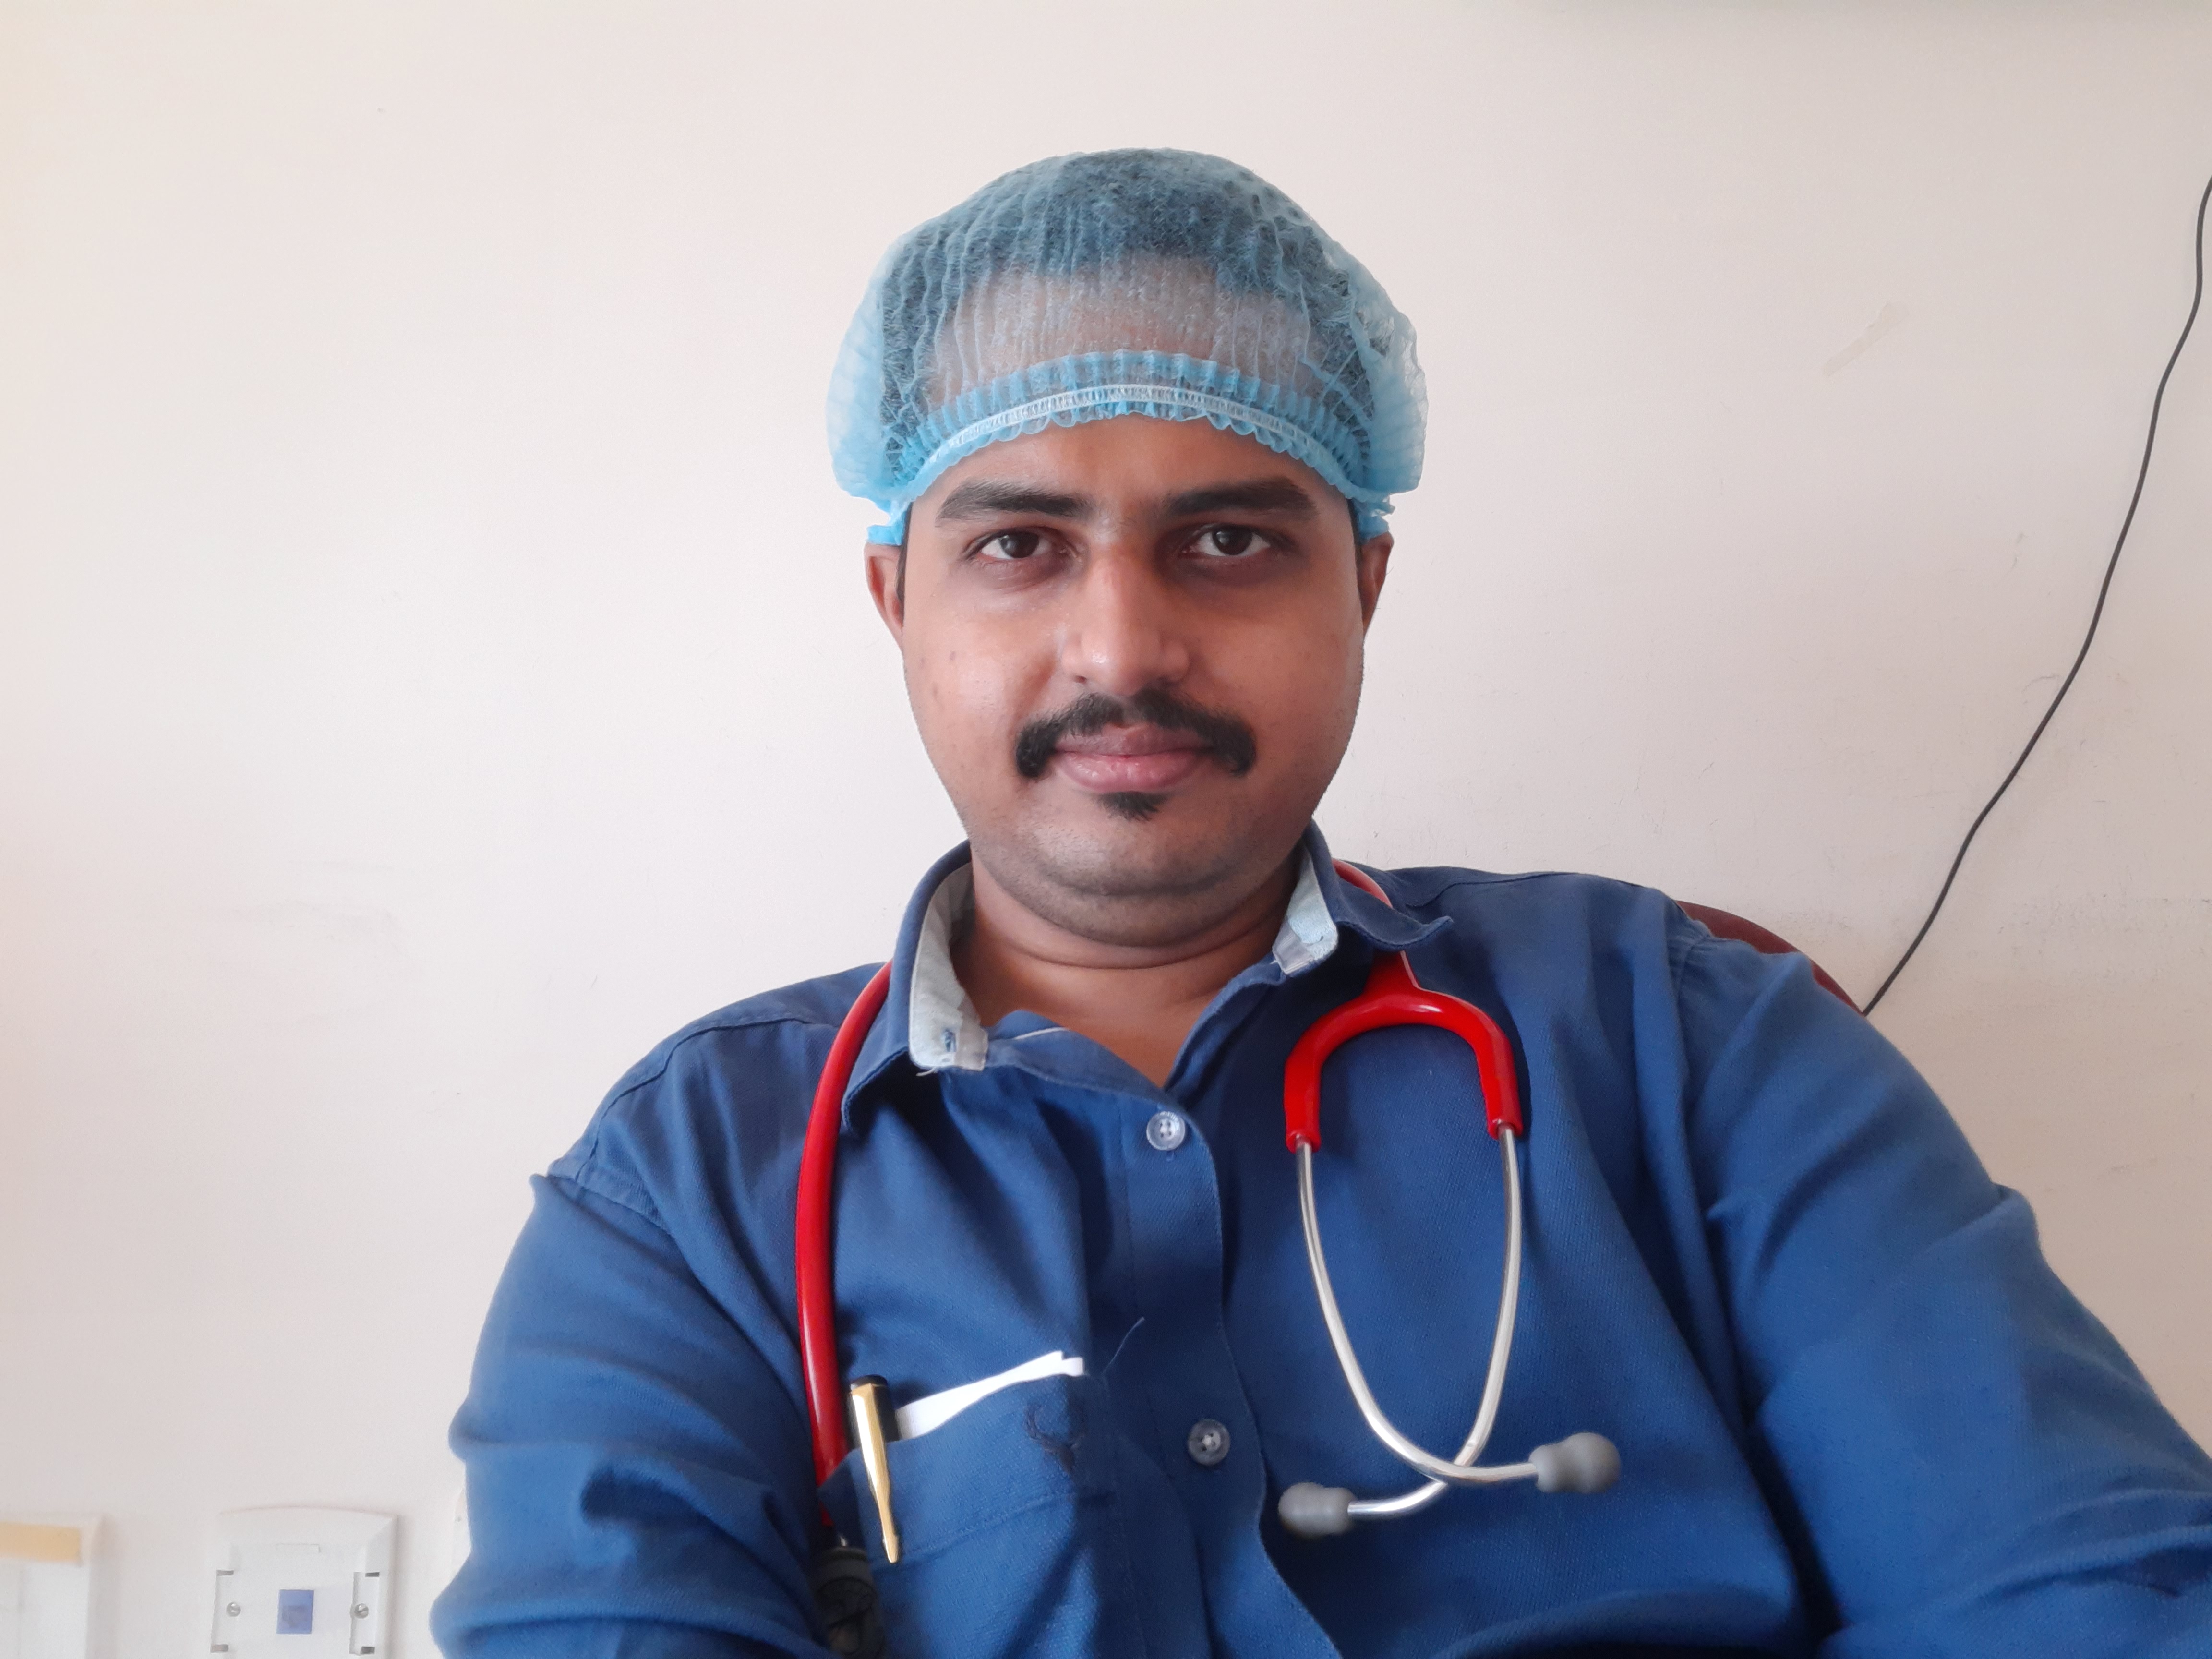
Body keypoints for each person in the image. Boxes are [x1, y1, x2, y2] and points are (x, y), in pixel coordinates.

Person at [433, 150, 2212, 1658]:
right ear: (900, 601)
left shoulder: (1695, 1043)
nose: (1123, 649)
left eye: (1229, 540)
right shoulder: (688, 1197)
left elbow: (2086, 1593)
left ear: (1362, 580)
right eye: (1019, 545)